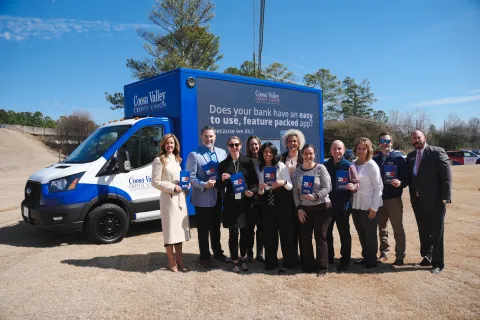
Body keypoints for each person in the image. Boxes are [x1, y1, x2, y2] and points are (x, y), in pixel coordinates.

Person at [407, 130, 451, 274]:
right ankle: (427, 256)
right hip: (418, 201)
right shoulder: (411, 156)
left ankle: (438, 263)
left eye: (418, 137)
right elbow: (410, 178)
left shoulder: (437, 152)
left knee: (437, 232)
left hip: (435, 200)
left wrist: (446, 196)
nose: (416, 140)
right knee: (423, 231)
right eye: (414, 138)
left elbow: (446, 176)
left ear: (424, 138)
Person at [186, 126, 230, 268]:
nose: (208, 139)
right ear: (201, 137)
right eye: (206, 136)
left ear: (215, 137)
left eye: (211, 136)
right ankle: (204, 256)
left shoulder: (222, 153)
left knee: (216, 227)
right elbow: (191, 177)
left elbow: (226, 171)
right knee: (203, 229)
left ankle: (217, 252)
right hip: (203, 198)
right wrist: (204, 184)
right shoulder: (194, 155)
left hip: (218, 197)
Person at [217, 136, 258, 272]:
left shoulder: (248, 162)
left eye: (236, 145)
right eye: (231, 145)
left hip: (245, 203)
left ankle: (243, 258)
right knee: (233, 233)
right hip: (231, 204)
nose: (234, 147)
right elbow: (218, 185)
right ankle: (234, 261)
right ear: (228, 147)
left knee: (246, 233)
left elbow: (255, 183)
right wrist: (222, 180)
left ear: (241, 146)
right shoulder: (223, 164)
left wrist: (251, 191)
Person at [152, 134, 190, 273]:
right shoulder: (159, 160)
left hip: (179, 198)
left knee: (179, 231)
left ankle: (180, 261)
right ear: (163, 144)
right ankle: (171, 262)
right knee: (170, 231)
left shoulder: (177, 160)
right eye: (167, 143)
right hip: (168, 200)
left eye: (172, 143)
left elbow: (180, 178)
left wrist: (186, 185)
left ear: (175, 145)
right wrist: (172, 187)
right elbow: (155, 182)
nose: (170, 146)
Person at [292, 144, 332, 277]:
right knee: (305, 238)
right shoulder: (298, 171)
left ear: (314, 154)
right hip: (305, 210)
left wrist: (316, 196)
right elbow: (295, 193)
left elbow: (328, 187)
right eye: (305, 154)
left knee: (320, 237)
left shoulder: (320, 168)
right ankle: (308, 265)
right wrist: (299, 209)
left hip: (322, 208)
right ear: (301, 155)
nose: (308, 156)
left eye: (311, 153)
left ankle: (322, 267)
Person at [257, 142, 298, 272]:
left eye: (270, 152)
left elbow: (290, 186)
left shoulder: (280, 166)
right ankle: (271, 263)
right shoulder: (260, 168)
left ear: (274, 153)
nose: (268, 154)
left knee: (286, 234)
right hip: (268, 203)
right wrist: (261, 189)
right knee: (269, 235)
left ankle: (289, 262)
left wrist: (283, 182)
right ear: (262, 153)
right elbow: (260, 191)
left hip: (283, 202)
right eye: (265, 152)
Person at [373, 132, 408, 267]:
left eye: (387, 141)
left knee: (397, 228)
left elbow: (406, 179)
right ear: (379, 143)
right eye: (382, 141)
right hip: (379, 199)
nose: (384, 144)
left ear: (391, 143)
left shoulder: (399, 158)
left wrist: (400, 182)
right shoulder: (375, 159)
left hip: (393, 199)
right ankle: (384, 253)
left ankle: (400, 256)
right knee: (381, 228)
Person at [324, 140, 359, 272]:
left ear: (344, 150)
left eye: (339, 149)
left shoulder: (349, 166)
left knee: (344, 234)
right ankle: (329, 257)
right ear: (331, 150)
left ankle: (345, 261)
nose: (337, 151)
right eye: (334, 149)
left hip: (343, 206)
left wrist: (353, 186)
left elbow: (357, 183)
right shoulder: (325, 165)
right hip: (327, 205)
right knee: (327, 233)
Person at [351, 137, 383, 269]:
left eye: (364, 148)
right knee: (361, 232)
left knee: (370, 234)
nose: (361, 150)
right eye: (359, 148)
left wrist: (374, 207)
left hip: (368, 206)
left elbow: (379, 187)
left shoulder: (371, 165)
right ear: (355, 149)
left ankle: (371, 260)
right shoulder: (353, 163)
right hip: (355, 204)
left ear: (368, 150)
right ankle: (365, 257)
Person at [280, 129, 305, 264]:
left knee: (302, 228)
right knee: (289, 229)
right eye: (290, 141)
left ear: (299, 142)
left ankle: (304, 258)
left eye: (295, 141)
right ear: (286, 143)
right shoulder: (282, 157)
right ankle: (291, 258)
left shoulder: (304, 156)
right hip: (286, 197)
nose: (292, 143)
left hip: (301, 197)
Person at [245, 135, 264, 262]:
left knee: (262, 228)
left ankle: (260, 253)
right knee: (249, 228)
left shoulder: (265, 160)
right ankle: (249, 253)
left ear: (259, 145)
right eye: (251, 144)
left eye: (256, 144)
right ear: (248, 147)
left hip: (263, 199)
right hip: (250, 198)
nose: (254, 147)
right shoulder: (245, 161)